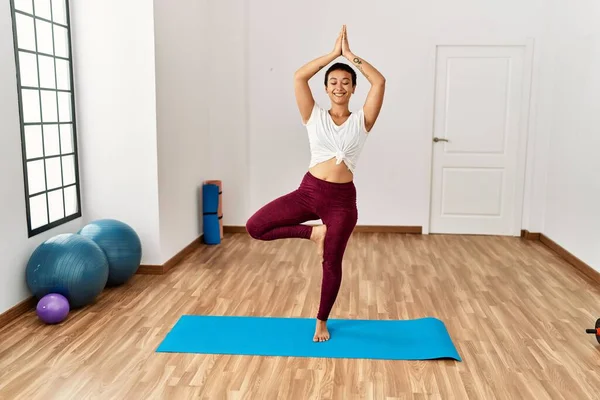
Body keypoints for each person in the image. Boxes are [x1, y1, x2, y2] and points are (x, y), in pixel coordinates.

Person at [245, 25, 385, 342]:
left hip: (341, 203)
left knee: (331, 262)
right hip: (309, 192)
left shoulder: (363, 120)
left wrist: (351, 56)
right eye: (333, 82)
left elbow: (379, 81)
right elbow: (298, 77)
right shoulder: (313, 115)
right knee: (255, 227)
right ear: (326, 88)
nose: (339, 86)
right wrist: (332, 56)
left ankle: (321, 321)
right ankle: (313, 233)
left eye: (345, 82)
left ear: (352, 90)